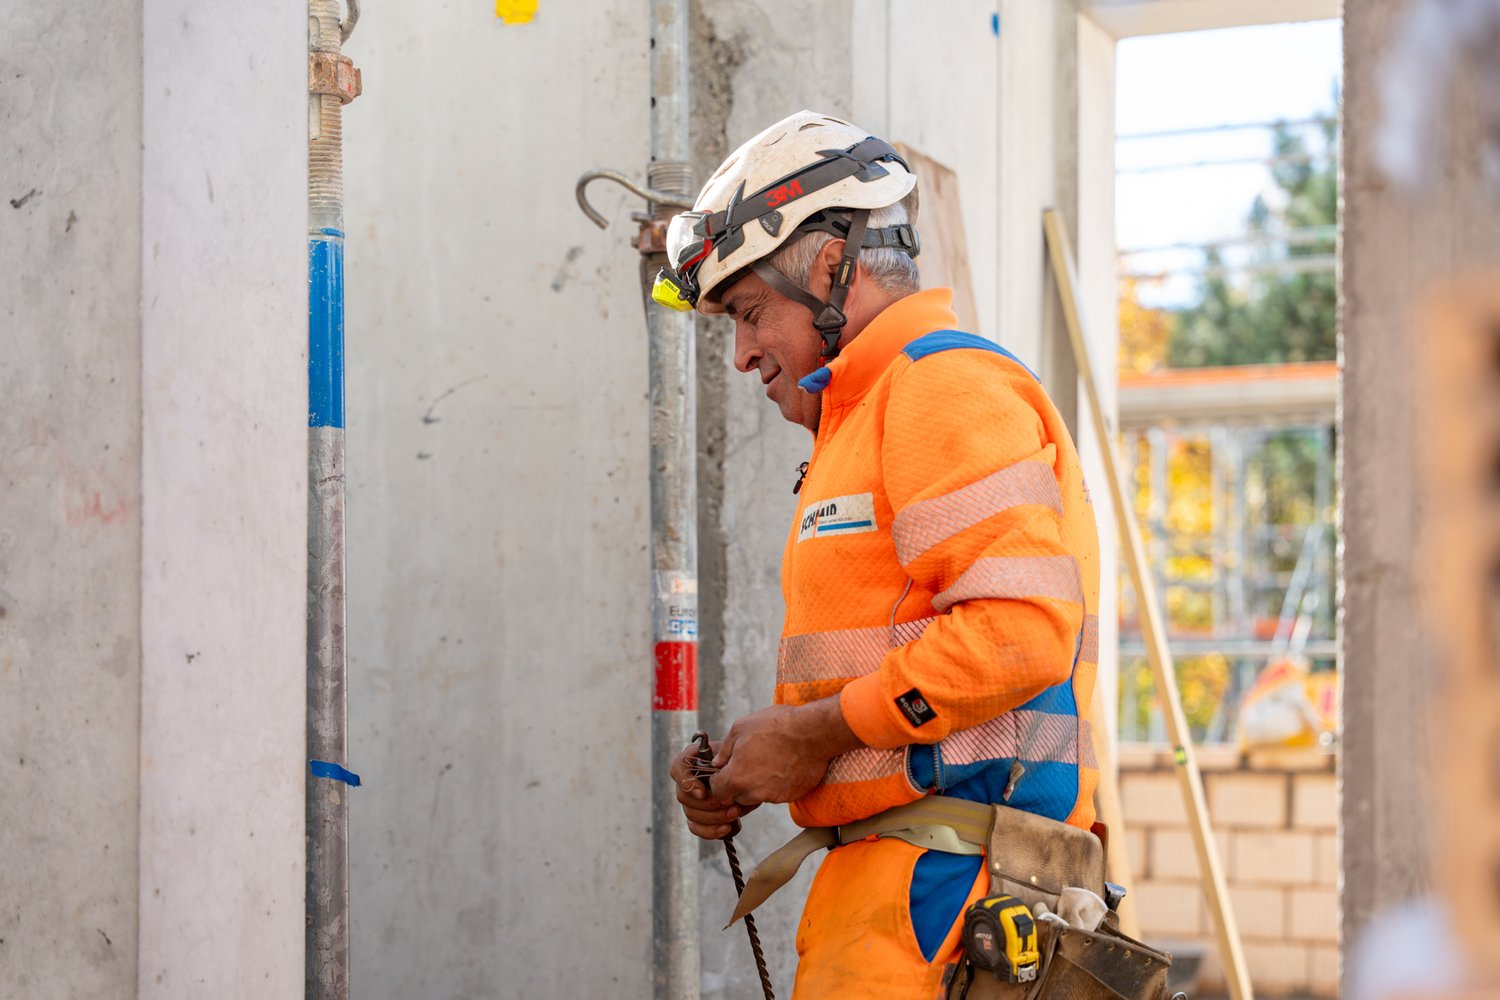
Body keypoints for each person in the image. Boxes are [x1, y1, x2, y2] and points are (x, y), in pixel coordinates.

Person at [659, 110, 1102, 998]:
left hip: (948, 899)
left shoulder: (939, 387)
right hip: (908, 895)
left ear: (830, 264)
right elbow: (898, 674)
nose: (743, 354)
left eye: (750, 314)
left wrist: (815, 734)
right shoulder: (862, 419)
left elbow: (1021, 634)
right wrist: (771, 759)